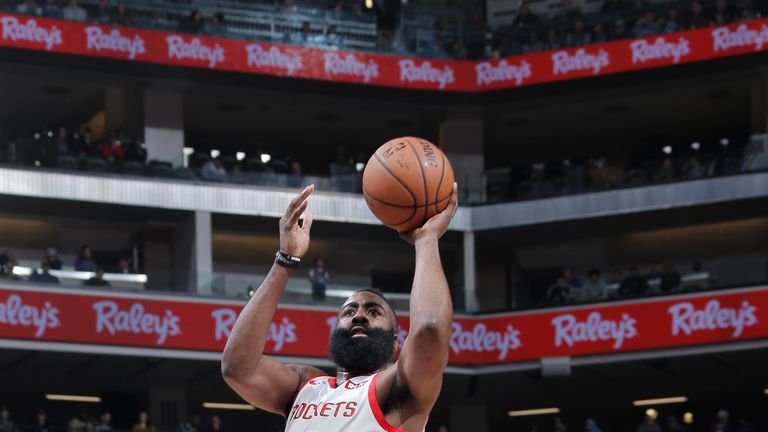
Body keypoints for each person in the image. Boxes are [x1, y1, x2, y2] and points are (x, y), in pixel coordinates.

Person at [222, 183, 458, 432]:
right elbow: (237, 367)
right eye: (348, 311)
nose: (359, 315)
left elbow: (430, 330)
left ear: (395, 341)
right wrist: (285, 260)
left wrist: (426, 240)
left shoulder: (396, 388)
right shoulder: (305, 386)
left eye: (374, 311)